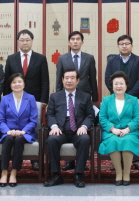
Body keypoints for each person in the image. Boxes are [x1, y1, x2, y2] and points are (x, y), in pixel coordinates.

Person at [55, 31, 99, 172]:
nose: (75, 41)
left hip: (84, 98)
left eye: (78, 39)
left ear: (82, 42)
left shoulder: (89, 58)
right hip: (66, 96)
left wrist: (95, 99)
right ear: (69, 42)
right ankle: (69, 162)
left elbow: (93, 78)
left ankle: (82, 161)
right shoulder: (62, 58)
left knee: (81, 130)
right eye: (72, 39)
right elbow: (58, 79)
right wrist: (58, 95)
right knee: (68, 127)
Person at [44, 69, 95, 188]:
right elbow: (49, 114)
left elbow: (90, 115)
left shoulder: (86, 97)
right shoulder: (55, 97)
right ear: (62, 80)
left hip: (78, 129)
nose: (69, 80)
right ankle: (56, 175)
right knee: (52, 140)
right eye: (66, 78)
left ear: (78, 81)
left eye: (72, 78)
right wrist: (54, 126)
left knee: (85, 139)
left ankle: (78, 174)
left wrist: (84, 126)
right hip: (60, 129)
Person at [98, 71, 139, 186]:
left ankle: (127, 174)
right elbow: (102, 118)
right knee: (113, 140)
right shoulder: (106, 100)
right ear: (112, 86)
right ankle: (118, 173)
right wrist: (113, 129)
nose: (119, 86)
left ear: (126, 85)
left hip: (130, 132)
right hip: (111, 132)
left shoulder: (133, 100)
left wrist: (127, 129)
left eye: (121, 84)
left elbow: (138, 117)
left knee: (127, 140)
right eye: (116, 84)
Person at [0, 73, 39, 187]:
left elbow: (33, 120)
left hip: (25, 133)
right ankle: (4, 172)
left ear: (24, 84)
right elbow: (1, 120)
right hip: (8, 132)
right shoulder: (5, 99)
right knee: (9, 139)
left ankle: (14, 172)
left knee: (19, 139)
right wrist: (7, 131)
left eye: (19, 82)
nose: (17, 84)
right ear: (10, 85)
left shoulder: (30, 98)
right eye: (14, 82)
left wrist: (23, 131)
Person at [4, 30, 49, 105]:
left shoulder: (41, 58)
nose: (25, 43)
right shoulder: (11, 59)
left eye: (27, 40)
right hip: (15, 99)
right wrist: (6, 99)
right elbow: (6, 81)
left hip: (35, 99)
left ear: (32, 41)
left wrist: (43, 100)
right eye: (22, 40)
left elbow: (45, 81)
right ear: (18, 42)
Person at [104, 35, 139, 108]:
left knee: (136, 119)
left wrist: (128, 96)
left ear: (132, 46)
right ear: (118, 46)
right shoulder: (111, 61)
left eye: (127, 44)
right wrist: (118, 94)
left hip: (135, 98)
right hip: (116, 98)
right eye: (121, 44)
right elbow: (108, 79)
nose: (124, 46)